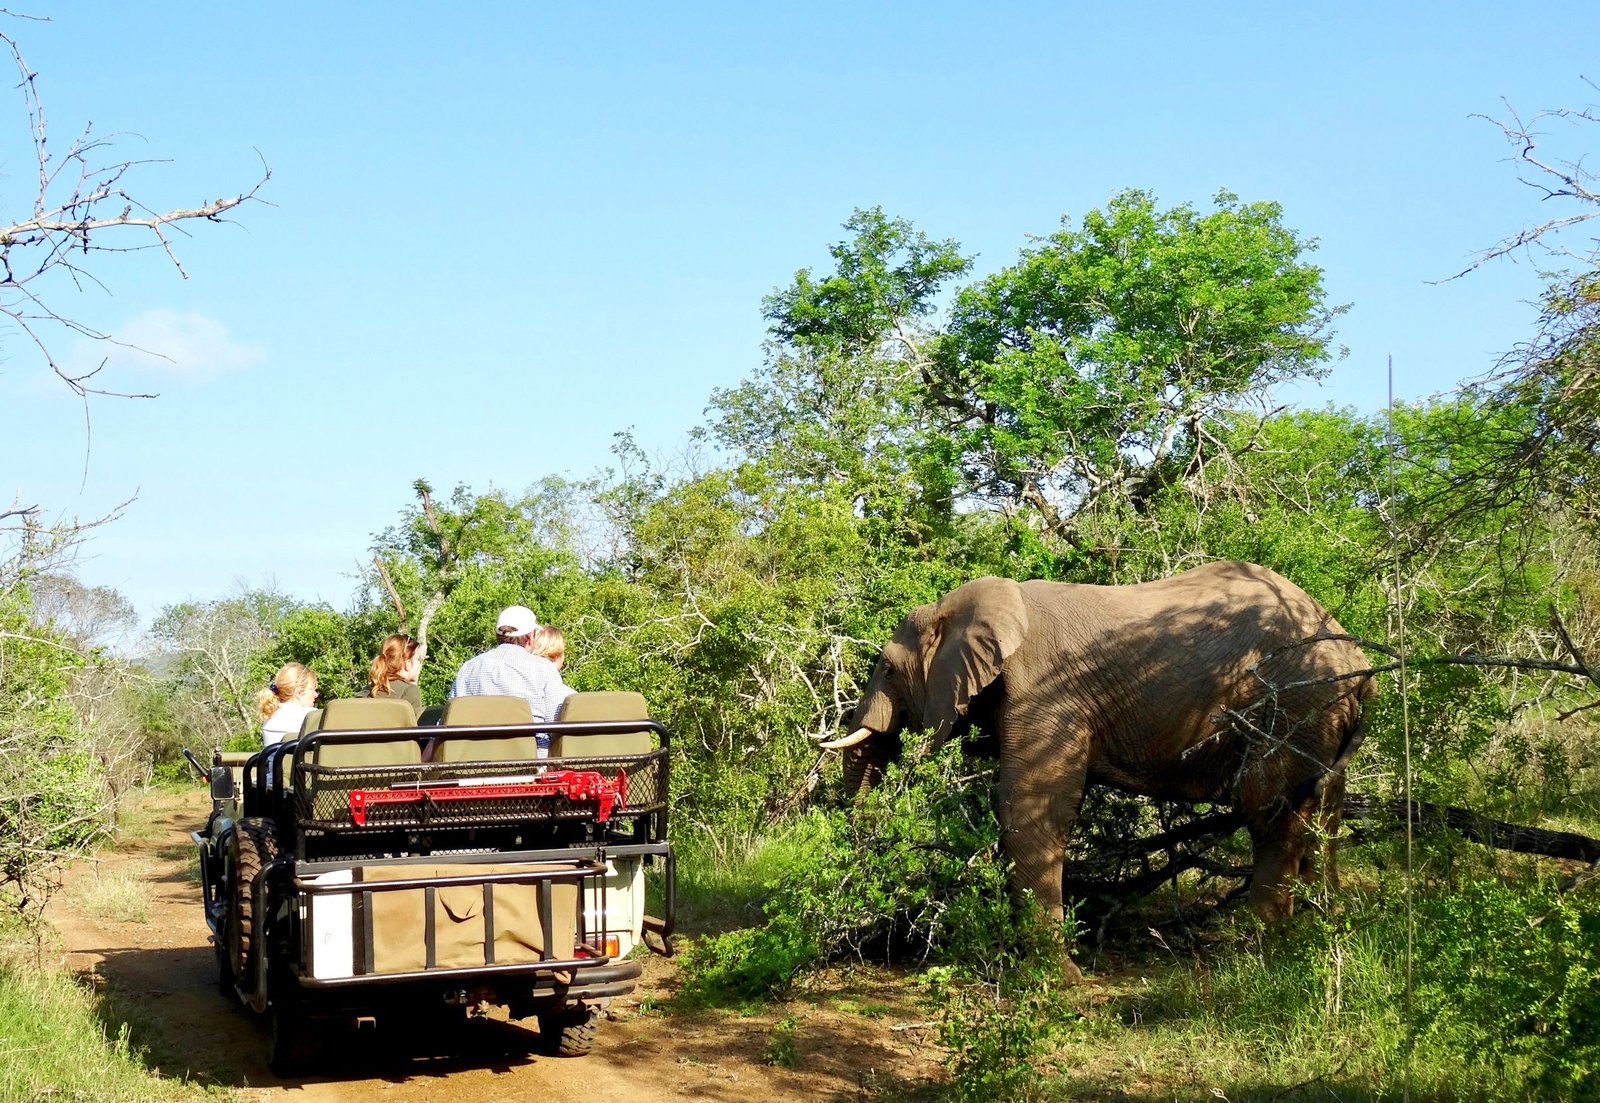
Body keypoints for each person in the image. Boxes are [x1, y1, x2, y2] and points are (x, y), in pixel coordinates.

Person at [450, 605, 574, 754]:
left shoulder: (468, 668)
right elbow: (557, 722)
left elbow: (450, 717)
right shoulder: (544, 669)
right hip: (532, 766)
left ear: (497, 636)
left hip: (476, 764)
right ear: (530, 638)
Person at [258, 662, 319, 746]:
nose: (316, 695)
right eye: (312, 690)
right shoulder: (312, 717)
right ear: (299, 693)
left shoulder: (270, 716)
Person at [363, 633, 424, 717]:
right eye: (417, 659)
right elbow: (416, 727)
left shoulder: (364, 692)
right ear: (408, 663)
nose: (419, 664)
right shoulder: (409, 692)